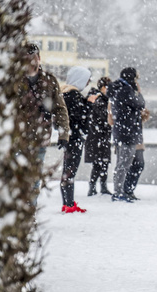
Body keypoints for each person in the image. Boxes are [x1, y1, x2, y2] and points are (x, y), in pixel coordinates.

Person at [18, 43, 70, 206]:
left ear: (39, 59)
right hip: (18, 138)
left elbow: (60, 108)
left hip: (40, 138)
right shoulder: (15, 81)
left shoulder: (49, 80)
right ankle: (16, 212)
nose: (31, 63)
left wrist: (63, 134)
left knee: (34, 178)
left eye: (33, 59)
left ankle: (28, 212)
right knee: (17, 177)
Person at [107, 67, 145, 202]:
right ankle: (118, 193)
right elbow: (140, 104)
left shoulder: (117, 88)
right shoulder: (126, 90)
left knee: (122, 163)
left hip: (121, 131)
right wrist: (138, 93)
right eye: (135, 78)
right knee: (124, 163)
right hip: (128, 132)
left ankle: (120, 191)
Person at [60, 66, 92, 213]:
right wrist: (89, 104)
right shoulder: (73, 95)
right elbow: (79, 118)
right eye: (87, 80)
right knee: (70, 171)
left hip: (70, 137)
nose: (88, 83)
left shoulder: (67, 94)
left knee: (68, 170)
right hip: (75, 138)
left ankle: (68, 203)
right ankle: (68, 205)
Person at [85, 77, 113, 196]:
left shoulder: (102, 99)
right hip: (97, 136)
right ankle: (93, 186)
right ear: (102, 88)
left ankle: (102, 186)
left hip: (101, 136)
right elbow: (103, 117)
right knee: (98, 163)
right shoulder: (98, 100)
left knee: (104, 162)